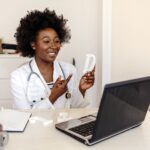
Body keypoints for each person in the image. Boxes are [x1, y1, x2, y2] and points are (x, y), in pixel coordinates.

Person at [10, 8, 95, 109]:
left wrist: (82, 89)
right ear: (33, 44)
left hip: (63, 125)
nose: (54, 46)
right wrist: (53, 96)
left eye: (57, 41)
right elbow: (25, 116)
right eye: (46, 41)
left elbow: (75, 107)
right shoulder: (18, 77)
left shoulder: (69, 70)